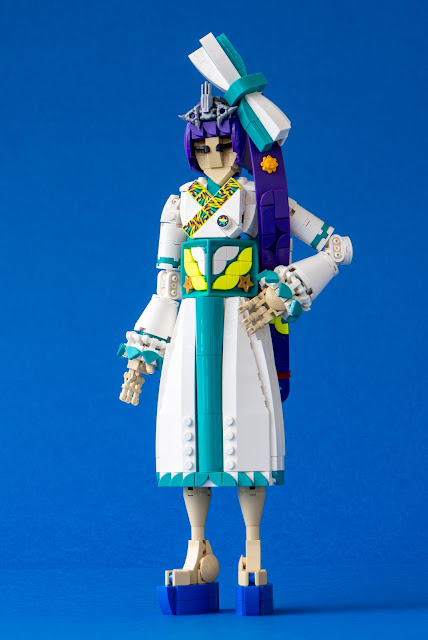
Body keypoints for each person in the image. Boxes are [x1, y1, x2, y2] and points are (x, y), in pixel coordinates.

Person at [117, 33, 352, 615]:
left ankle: (252, 548)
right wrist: (144, 353)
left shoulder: (260, 199)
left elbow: (338, 247)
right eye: (204, 147)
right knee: (191, 445)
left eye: (224, 144)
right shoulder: (178, 205)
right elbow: (167, 285)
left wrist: (283, 291)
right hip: (190, 333)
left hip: (245, 330)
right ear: (191, 150)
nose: (215, 155)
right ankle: (197, 547)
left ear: (238, 143)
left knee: (244, 442)